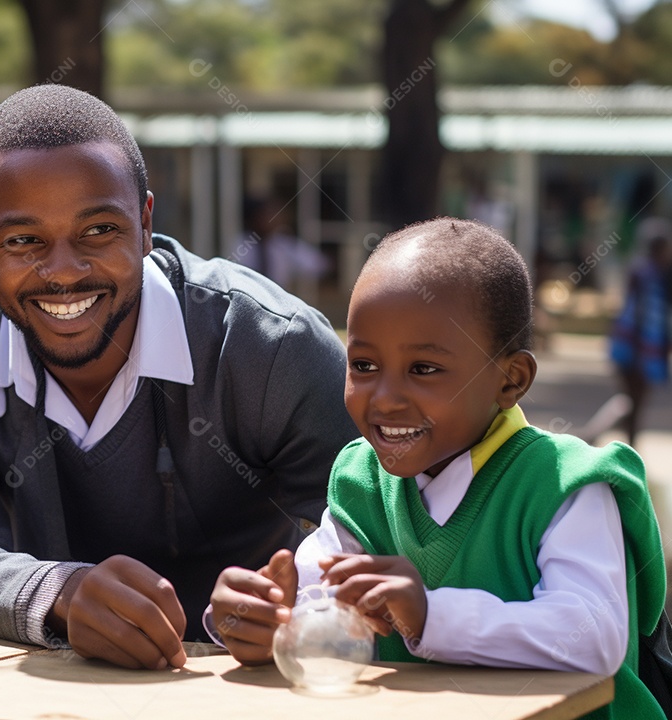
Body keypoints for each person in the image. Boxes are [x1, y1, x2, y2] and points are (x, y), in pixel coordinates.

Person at [0, 84, 357, 670]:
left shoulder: (273, 348)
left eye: (99, 230)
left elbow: (367, 531)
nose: (64, 272)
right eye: (23, 241)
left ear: (146, 222)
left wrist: (292, 608)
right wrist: (57, 592)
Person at [209, 218, 667, 718]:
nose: (384, 399)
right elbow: (315, 605)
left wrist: (431, 615)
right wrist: (261, 621)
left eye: (423, 370)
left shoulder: (564, 483)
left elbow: (594, 638)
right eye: (363, 365)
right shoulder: (360, 482)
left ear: (511, 381)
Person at [607, 230, 672, 446]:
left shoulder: (645, 271)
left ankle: (618, 440)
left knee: (632, 401)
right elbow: (641, 315)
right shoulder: (651, 275)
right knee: (634, 401)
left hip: (634, 346)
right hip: (638, 348)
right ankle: (626, 446)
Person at [234, 196, 329, 296]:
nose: (275, 219)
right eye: (267, 215)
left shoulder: (283, 243)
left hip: (275, 300)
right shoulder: (240, 242)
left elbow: (318, 263)